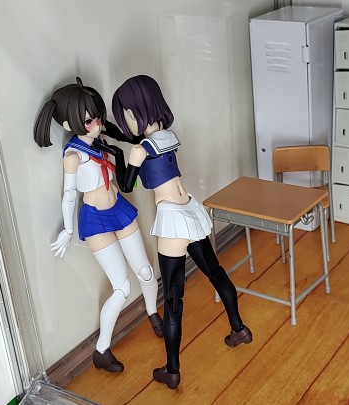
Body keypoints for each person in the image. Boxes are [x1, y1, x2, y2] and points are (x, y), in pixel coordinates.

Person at [105, 74, 252, 389]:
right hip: (189, 209)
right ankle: (239, 329)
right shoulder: (167, 135)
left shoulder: (140, 150)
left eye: (126, 115)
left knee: (173, 299)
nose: (126, 121)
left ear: (135, 111)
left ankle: (172, 370)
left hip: (172, 221)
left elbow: (127, 184)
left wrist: (116, 155)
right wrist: (116, 134)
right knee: (216, 273)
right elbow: (142, 144)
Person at [33, 77, 163, 373]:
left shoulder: (101, 143)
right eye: (88, 120)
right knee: (122, 286)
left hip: (119, 208)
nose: (96, 124)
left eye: (97, 117)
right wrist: (68, 230)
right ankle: (102, 350)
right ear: (69, 124)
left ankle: (153, 313)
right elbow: (69, 194)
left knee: (145, 271)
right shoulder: (73, 156)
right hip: (95, 219)